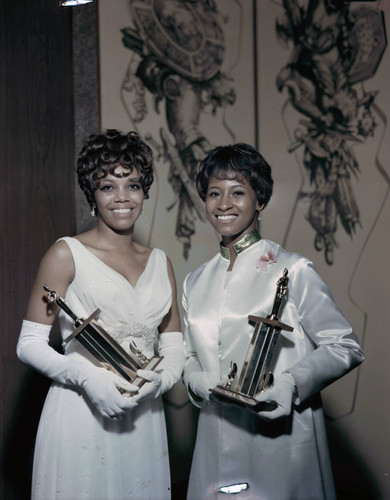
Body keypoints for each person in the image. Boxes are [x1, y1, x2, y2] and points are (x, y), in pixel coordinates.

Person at [182, 143, 364, 500]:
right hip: (215, 435)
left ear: (260, 200)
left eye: (238, 192)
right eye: (214, 193)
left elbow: (345, 345)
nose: (224, 204)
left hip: (280, 436)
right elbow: (188, 355)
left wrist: (291, 383)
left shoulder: (292, 268)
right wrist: (196, 380)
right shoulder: (195, 280)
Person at [17, 129, 184, 500]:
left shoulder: (160, 262)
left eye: (134, 185)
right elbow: (28, 344)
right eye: (108, 186)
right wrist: (88, 379)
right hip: (81, 411)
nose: (123, 197)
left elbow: (174, 345)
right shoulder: (65, 254)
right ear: (92, 194)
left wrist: (162, 380)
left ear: (144, 192)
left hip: (144, 416)